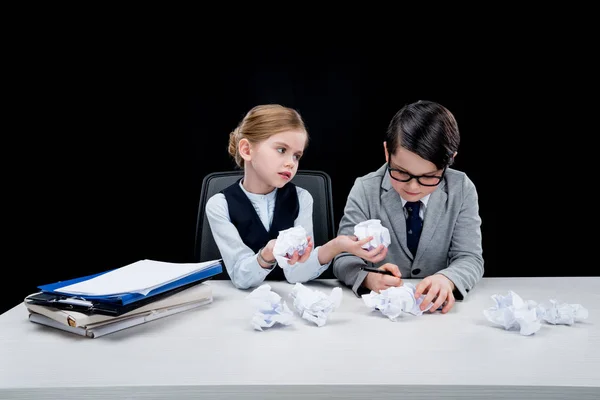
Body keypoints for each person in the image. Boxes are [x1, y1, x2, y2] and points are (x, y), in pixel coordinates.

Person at [206, 104, 382, 289]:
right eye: (282, 150)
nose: (291, 163)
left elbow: (297, 272)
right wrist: (268, 253)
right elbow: (241, 277)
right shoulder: (219, 205)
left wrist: (337, 246)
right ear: (247, 150)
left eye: (297, 156)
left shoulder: (302, 198)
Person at [333, 100, 484, 313]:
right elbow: (342, 258)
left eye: (429, 177)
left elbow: (470, 257)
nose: (413, 187)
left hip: (437, 316)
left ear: (450, 161)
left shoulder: (461, 188)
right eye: (401, 172)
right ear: (387, 153)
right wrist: (368, 278)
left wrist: (447, 279)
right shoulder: (366, 189)